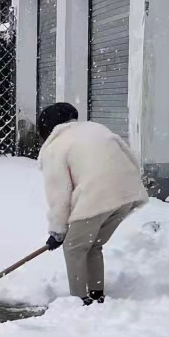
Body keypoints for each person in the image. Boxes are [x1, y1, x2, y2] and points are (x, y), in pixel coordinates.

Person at [37, 103, 148, 305]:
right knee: (92, 245)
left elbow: (59, 193)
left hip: (97, 197)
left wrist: (58, 231)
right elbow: (129, 156)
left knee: (73, 247)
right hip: (125, 195)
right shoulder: (96, 129)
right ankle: (97, 294)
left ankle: (79, 300)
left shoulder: (56, 146)